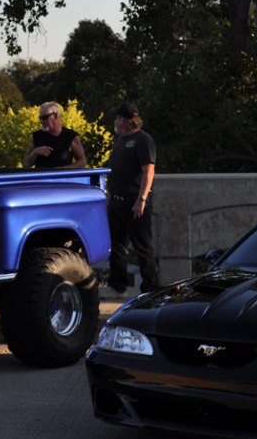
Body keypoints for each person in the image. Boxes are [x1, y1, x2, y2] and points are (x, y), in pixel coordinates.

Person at [101, 102, 158, 300]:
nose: (115, 122)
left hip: (134, 201)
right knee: (117, 245)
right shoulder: (120, 140)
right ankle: (118, 286)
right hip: (116, 202)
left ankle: (149, 289)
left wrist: (142, 199)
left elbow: (148, 171)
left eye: (117, 118)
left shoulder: (143, 140)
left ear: (125, 121)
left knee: (142, 246)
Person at [23, 102, 87, 169]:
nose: (41, 121)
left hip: (62, 178)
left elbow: (82, 162)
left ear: (55, 116)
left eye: (45, 117)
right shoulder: (37, 136)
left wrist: (62, 170)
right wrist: (35, 152)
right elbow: (26, 164)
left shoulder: (70, 136)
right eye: (40, 118)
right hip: (42, 179)